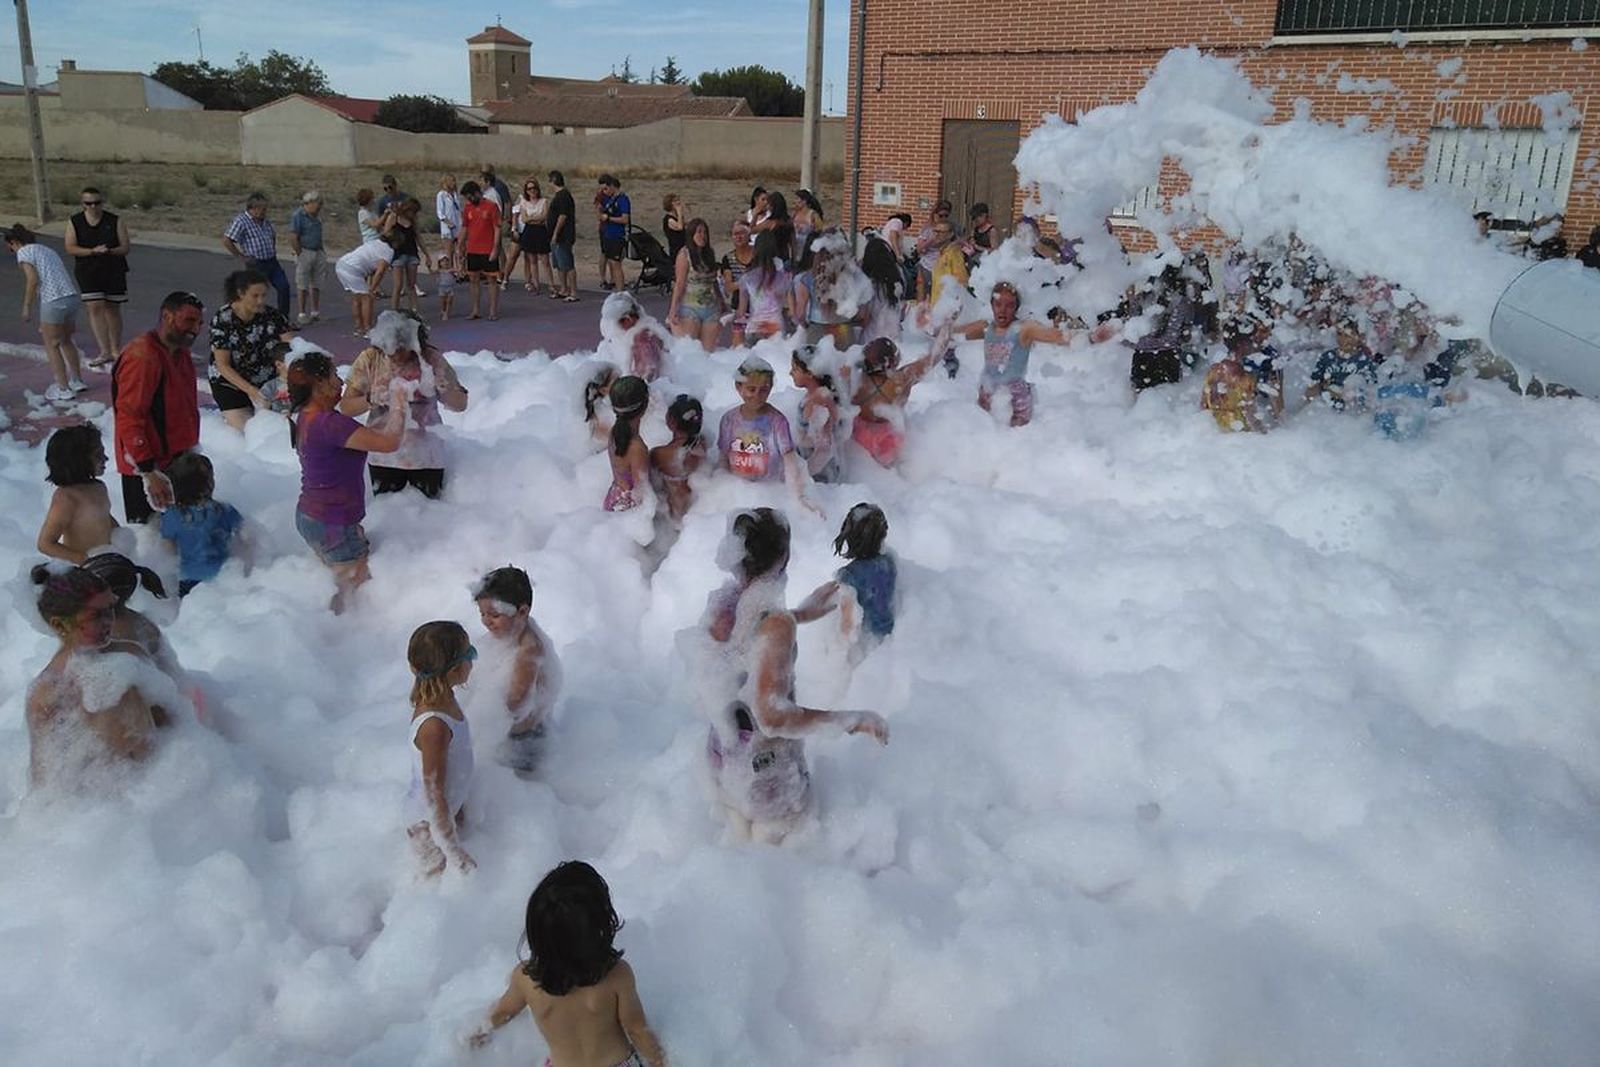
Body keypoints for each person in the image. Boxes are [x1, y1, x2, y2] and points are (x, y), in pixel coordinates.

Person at [700, 508, 889, 842]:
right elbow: (772, 716)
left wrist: (801, 612)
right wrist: (853, 720)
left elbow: (750, 637)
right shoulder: (774, 624)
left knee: (737, 836)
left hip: (723, 752)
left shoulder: (725, 603)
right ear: (784, 554)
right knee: (785, 844)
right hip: (766, 773)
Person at [472, 861, 668, 1066]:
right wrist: (662, 1062)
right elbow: (637, 1030)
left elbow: (501, 1014)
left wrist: (472, 1036)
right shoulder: (618, 976)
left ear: (536, 933)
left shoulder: (525, 979)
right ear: (600, 927)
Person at [287, 348, 406, 613]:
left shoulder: (306, 416)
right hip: (332, 524)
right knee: (353, 591)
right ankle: (336, 634)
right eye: (334, 377)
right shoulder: (331, 424)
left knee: (338, 577)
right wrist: (399, 402)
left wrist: (372, 400)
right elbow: (389, 442)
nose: (341, 383)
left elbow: (356, 434)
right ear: (318, 385)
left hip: (311, 516)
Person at [25, 566, 161, 790]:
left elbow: (164, 713)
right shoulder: (47, 691)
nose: (109, 620)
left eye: (110, 609)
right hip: (104, 799)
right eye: (96, 615)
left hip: (160, 778)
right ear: (59, 625)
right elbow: (44, 774)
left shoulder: (132, 653)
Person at [340, 310, 469, 499]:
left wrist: (445, 389)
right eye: (388, 348)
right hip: (383, 455)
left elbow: (460, 405)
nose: (394, 355)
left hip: (426, 456)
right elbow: (346, 408)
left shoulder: (431, 359)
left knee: (429, 514)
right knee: (389, 513)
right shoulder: (370, 359)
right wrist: (370, 399)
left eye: (400, 349)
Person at [112, 291, 204, 524]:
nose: (196, 329)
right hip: (148, 464)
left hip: (176, 457)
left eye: (199, 323)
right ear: (167, 316)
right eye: (189, 321)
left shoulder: (180, 352)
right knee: (150, 534)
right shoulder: (143, 357)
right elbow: (130, 417)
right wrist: (147, 471)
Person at [403, 620, 477, 877]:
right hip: (427, 829)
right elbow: (433, 794)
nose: (473, 660)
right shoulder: (434, 726)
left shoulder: (444, 698)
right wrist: (455, 852)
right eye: (471, 654)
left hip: (441, 816)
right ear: (455, 670)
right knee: (433, 882)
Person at [473, 566, 563, 777]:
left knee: (519, 787)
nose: (486, 620)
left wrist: (481, 719)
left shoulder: (529, 650)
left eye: (494, 614)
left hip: (522, 742)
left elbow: (517, 701)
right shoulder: (512, 632)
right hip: (511, 733)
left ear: (522, 612)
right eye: (482, 613)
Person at [952, 282, 1073, 427]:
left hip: (1016, 397)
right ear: (991, 304)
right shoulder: (986, 327)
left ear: (1016, 307)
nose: (1003, 310)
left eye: (1009, 305)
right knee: (984, 430)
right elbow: (951, 333)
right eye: (998, 304)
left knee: (1015, 438)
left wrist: (1090, 338)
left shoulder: (1023, 329)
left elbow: (1057, 336)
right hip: (987, 390)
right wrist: (930, 324)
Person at [795, 503, 897, 660]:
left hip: (870, 645)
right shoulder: (889, 562)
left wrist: (836, 655)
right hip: (890, 637)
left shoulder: (849, 576)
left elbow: (848, 627)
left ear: (847, 537)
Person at [6, 223, 86, 400]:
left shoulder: (24, 252)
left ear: (14, 242)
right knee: (66, 340)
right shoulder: (46, 249)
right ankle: (77, 380)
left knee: (52, 344)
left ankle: (63, 388)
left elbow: (32, 279)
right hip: (71, 296)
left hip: (54, 300)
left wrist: (27, 306)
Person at [208, 269, 294, 430]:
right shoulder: (222, 320)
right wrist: (252, 391)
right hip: (231, 383)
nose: (261, 301)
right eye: (255, 296)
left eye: (263, 295)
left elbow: (293, 348)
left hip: (267, 380)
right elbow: (223, 365)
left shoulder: (273, 316)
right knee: (246, 431)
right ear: (241, 294)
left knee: (279, 427)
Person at [850, 333, 949, 466]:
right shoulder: (900, 381)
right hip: (887, 442)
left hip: (857, 439)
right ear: (892, 362)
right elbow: (934, 357)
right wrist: (948, 322)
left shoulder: (853, 379)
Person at [159, 452, 246, 596]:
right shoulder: (225, 511)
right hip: (222, 575)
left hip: (187, 577)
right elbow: (246, 541)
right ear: (209, 483)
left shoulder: (171, 515)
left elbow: (168, 551)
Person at [63, 186, 130, 366]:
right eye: (88, 203)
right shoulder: (75, 221)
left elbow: (125, 247)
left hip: (112, 268)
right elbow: (70, 247)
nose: (93, 207)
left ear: (102, 202)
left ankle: (116, 348)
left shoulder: (114, 220)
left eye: (97, 203)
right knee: (94, 307)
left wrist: (109, 250)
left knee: (112, 308)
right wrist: (92, 251)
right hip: (87, 269)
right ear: (83, 204)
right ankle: (104, 350)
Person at [37, 424, 119, 564]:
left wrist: (122, 540)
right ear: (78, 461)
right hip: (83, 569)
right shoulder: (66, 498)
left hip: (106, 561)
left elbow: (105, 518)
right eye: (98, 455)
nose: (106, 459)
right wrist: (83, 559)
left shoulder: (99, 487)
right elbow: (45, 544)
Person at [221, 193, 291, 317]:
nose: (265, 212)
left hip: (271, 261)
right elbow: (227, 240)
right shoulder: (241, 221)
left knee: (283, 287)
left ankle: (283, 319)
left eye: (265, 209)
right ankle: (249, 315)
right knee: (256, 292)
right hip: (256, 263)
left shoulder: (265, 221)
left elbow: (272, 236)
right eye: (262, 209)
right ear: (253, 208)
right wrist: (240, 256)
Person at [667, 217, 724, 351]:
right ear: (691, 235)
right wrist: (673, 309)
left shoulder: (709, 253)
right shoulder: (684, 255)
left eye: (704, 232)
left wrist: (721, 300)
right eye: (698, 232)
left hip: (711, 307)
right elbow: (680, 283)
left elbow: (714, 280)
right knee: (691, 350)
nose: (702, 236)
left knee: (708, 351)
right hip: (690, 308)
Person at [649, 395, 706, 526]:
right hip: (696, 509)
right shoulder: (701, 445)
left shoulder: (659, 454)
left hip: (672, 514)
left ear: (670, 421)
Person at [1201, 320, 1266, 433]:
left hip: (1215, 433)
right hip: (1240, 436)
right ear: (1242, 346)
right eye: (1251, 341)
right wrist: (1266, 436)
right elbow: (1252, 417)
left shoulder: (1214, 370)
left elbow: (1203, 405)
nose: (1255, 344)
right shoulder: (1244, 378)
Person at [1305, 316, 1380, 412]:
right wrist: (1322, 388)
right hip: (1325, 408)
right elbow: (1311, 388)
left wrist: (1345, 394)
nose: (1343, 339)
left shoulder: (1364, 362)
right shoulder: (1327, 357)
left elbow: (1370, 393)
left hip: (1351, 413)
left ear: (1359, 337)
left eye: (1348, 335)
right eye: (1340, 334)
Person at [790, 346, 841, 483]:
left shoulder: (819, 401)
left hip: (820, 471)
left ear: (810, 373)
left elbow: (823, 445)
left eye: (795, 369)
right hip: (815, 463)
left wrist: (805, 473)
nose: (790, 373)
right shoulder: (817, 396)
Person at [335, 231, 400, 336]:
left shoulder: (375, 242)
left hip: (342, 263)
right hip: (353, 269)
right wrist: (372, 288)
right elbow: (380, 272)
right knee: (367, 299)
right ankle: (367, 329)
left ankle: (359, 327)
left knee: (357, 298)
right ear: (396, 243)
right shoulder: (388, 251)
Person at [603, 376, 650, 513]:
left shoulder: (615, 432)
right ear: (645, 406)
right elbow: (642, 493)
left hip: (614, 499)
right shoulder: (637, 448)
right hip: (629, 511)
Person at [735, 232, 791, 342]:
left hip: (754, 327)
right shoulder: (784, 277)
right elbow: (790, 308)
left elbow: (741, 312)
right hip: (776, 327)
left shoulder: (747, 277)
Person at [460, 181, 502, 321]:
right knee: (473, 279)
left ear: (477, 193)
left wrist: (495, 248)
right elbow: (465, 228)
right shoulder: (467, 208)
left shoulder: (491, 206)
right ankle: (475, 310)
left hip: (488, 248)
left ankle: (492, 311)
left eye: (470, 196)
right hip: (473, 248)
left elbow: (497, 228)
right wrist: (460, 246)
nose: (469, 200)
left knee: (491, 279)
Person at [286, 191, 326, 326]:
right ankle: (302, 313)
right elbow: (293, 236)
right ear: (310, 203)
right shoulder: (298, 216)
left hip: (317, 250)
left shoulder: (317, 217)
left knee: (317, 282)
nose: (320, 207)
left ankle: (315, 311)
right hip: (305, 251)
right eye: (318, 203)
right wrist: (299, 253)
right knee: (302, 282)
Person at [858, 235, 905, 346]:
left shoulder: (869, 283)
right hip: (895, 337)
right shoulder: (898, 276)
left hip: (873, 339)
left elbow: (864, 317)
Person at [383, 198, 429, 311]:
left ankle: (414, 310)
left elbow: (418, 237)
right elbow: (385, 234)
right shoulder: (394, 217)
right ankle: (394, 311)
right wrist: (393, 235)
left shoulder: (413, 221)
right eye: (412, 212)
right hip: (398, 254)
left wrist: (427, 254)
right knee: (398, 285)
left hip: (411, 253)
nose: (413, 214)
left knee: (411, 285)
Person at [508, 176, 551, 294]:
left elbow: (544, 217)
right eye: (529, 188)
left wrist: (532, 219)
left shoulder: (543, 201)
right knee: (525, 258)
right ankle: (529, 282)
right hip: (525, 230)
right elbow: (521, 217)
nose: (532, 190)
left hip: (539, 231)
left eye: (534, 188)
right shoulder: (521, 200)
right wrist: (514, 228)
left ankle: (546, 284)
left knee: (543, 259)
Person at [720, 219, 756, 346]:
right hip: (739, 309)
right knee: (738, 345)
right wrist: (747, 282)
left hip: (760, 308)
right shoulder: (728, 258)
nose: (738, 237)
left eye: (742, 233)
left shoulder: (758, 253)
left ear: (749, 234)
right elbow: (728, 287)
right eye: (735, 234)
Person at [547, 170, 579, 302]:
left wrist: (555, 233)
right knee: (559, 264)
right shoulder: (558, 196)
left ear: (553, 181)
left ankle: (573, 291)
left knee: (567, 263)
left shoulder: (563, 196)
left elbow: (562, 216)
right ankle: (563, 288)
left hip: (563, 236)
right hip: (557, 236)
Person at [597, 175, 632, 295]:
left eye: (606, 189)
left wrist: (609, 218)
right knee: (611, 261)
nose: (604, 192)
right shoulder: (609, 199)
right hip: (608, 234)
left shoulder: (622, 199)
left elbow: (625, 219)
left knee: (616, 263)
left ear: (612, 186)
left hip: (617, 235)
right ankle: (616, 287)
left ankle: (621, 290)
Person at [914, 201, 955, 301]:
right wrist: (932, 240)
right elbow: (919, 249)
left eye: (946, 215)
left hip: (944, 265)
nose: (944, 218)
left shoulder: (951, 227)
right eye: (941, 215)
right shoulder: (927, 229)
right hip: (927, 266)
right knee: (925, 296)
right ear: (934, 214)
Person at [584, 363, 619, 445]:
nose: (620, 383)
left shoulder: (610, 404)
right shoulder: (601, 415)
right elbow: (614, 442)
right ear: (603, 390)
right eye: (616, 381)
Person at [436, 174, 462, 271]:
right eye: (452, 180)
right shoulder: (441, 195)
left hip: (458, 225)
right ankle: (449, 271)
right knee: (449, 251)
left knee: (459, 250)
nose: (454, 183)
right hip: (448, 227)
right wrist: (448, 223)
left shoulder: (455, 195)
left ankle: (460, 270)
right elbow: (440, 213)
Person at [792, 188, 824, 260]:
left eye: (797, 199)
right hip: (795, 247)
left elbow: (820, 231)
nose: (795, 201)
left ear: (804, 201)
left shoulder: (813, 215)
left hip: (807, 248)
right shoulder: (795, 213)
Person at [661, 193, 686, 262]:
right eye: (675, 201)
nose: (678, 202)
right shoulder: (669, 219)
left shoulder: (677, 217)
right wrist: (679, 212)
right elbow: (680, 227)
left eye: (678, 200)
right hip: (676, 250)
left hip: (683, 246)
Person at [435, 255, 456, 320]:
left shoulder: (451, 270)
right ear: (440, 263)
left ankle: (446, 313)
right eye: (443, 261)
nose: (445, 263)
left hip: (450, 287)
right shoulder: (439, 271)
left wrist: (461, 262)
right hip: (442, 288)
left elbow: (459, 270)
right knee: (443, 301)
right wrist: (428, 267)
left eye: (446, 261)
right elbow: (431, 272)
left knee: (449, 301)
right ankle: (443, 310)